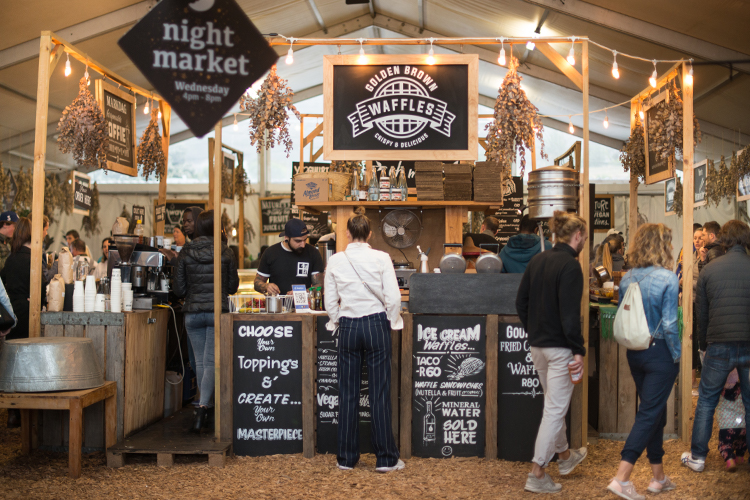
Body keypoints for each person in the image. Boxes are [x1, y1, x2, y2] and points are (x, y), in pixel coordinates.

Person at [324, 208, 404, 473]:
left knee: (348, 394)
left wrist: (337, 320)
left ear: (347, 233)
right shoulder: (381, 258)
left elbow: (329, 300)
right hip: (375, 324)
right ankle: (386, 459)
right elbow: (393, 297)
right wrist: (392, 321)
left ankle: (346, 459)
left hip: (347, 326)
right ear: (369, 234)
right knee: (379, 393)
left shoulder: (336, 260)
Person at [606, 223, 681, 499]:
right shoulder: (668, 278)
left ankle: (658, 478)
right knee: (650, 413)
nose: (672, 247)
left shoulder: (628, 277)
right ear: (662, 246)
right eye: (669, 242)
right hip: (660, 351)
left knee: (655, 412)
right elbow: (671, 325)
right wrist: (676, 355)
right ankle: (621, 478)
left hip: (634, 352)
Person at [516, 211, 588, 494]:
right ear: (577, 235)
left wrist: (534, 330)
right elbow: (570, 316)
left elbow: (521, 303)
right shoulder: (570, 266)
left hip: (538, 347)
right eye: (583, 237)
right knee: (555, 410)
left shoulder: (538, 260)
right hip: (560, 349)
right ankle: (537, 472)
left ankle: (566, 457)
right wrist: (578, 351)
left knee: (552, 405)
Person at [682, 220, 750, 473]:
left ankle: (698, 457)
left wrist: (703, 348)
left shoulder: (710, 270)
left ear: (724, 240)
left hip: (718, 345)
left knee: (707, 402)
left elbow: (702, 315)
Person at [173, 210, 239, 433]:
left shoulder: (185, 252)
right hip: (215, 312)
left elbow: (178, 288)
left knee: (200, 363)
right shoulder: (225, 251)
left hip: (192, 313)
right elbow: (232, 288)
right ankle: (202, 409)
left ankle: (204, 405)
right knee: (210, 362)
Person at [0, 217, 44, 342]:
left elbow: (1, 282)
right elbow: (42, 284)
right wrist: (37, 300)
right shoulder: (33, 260)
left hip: (12, 311)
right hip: (29, 311)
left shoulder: (10, 259)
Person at [254, 219, 324, 296]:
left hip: (304, 307)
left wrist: (301, 293)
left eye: (305, 240)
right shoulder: (270, 253)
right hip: (277, 306)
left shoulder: (313, 253)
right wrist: (266, 286)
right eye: (298, 241)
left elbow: (319, 286)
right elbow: (257, 283)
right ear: (286, 238)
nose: (303, 245)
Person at [715, 369, 746, 472]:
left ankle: (730, 460)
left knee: (726, 443)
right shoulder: (742, 389)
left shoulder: (719, 391)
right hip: (742, 424)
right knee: (742, 442)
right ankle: (740, 458)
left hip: (727, 426)